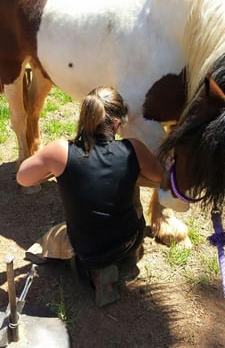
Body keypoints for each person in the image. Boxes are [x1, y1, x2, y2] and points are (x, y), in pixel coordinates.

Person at [16, 86, 176, 271]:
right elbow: (159, 175)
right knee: (133, 190)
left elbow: (23, 178)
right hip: (129, 241)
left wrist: (53, 170)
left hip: (87, 251)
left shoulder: (60, 151)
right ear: (117, 123)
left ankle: (55, 253)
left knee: (54, 235)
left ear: (84, 116)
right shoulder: (134, 148)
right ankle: (126, 258)